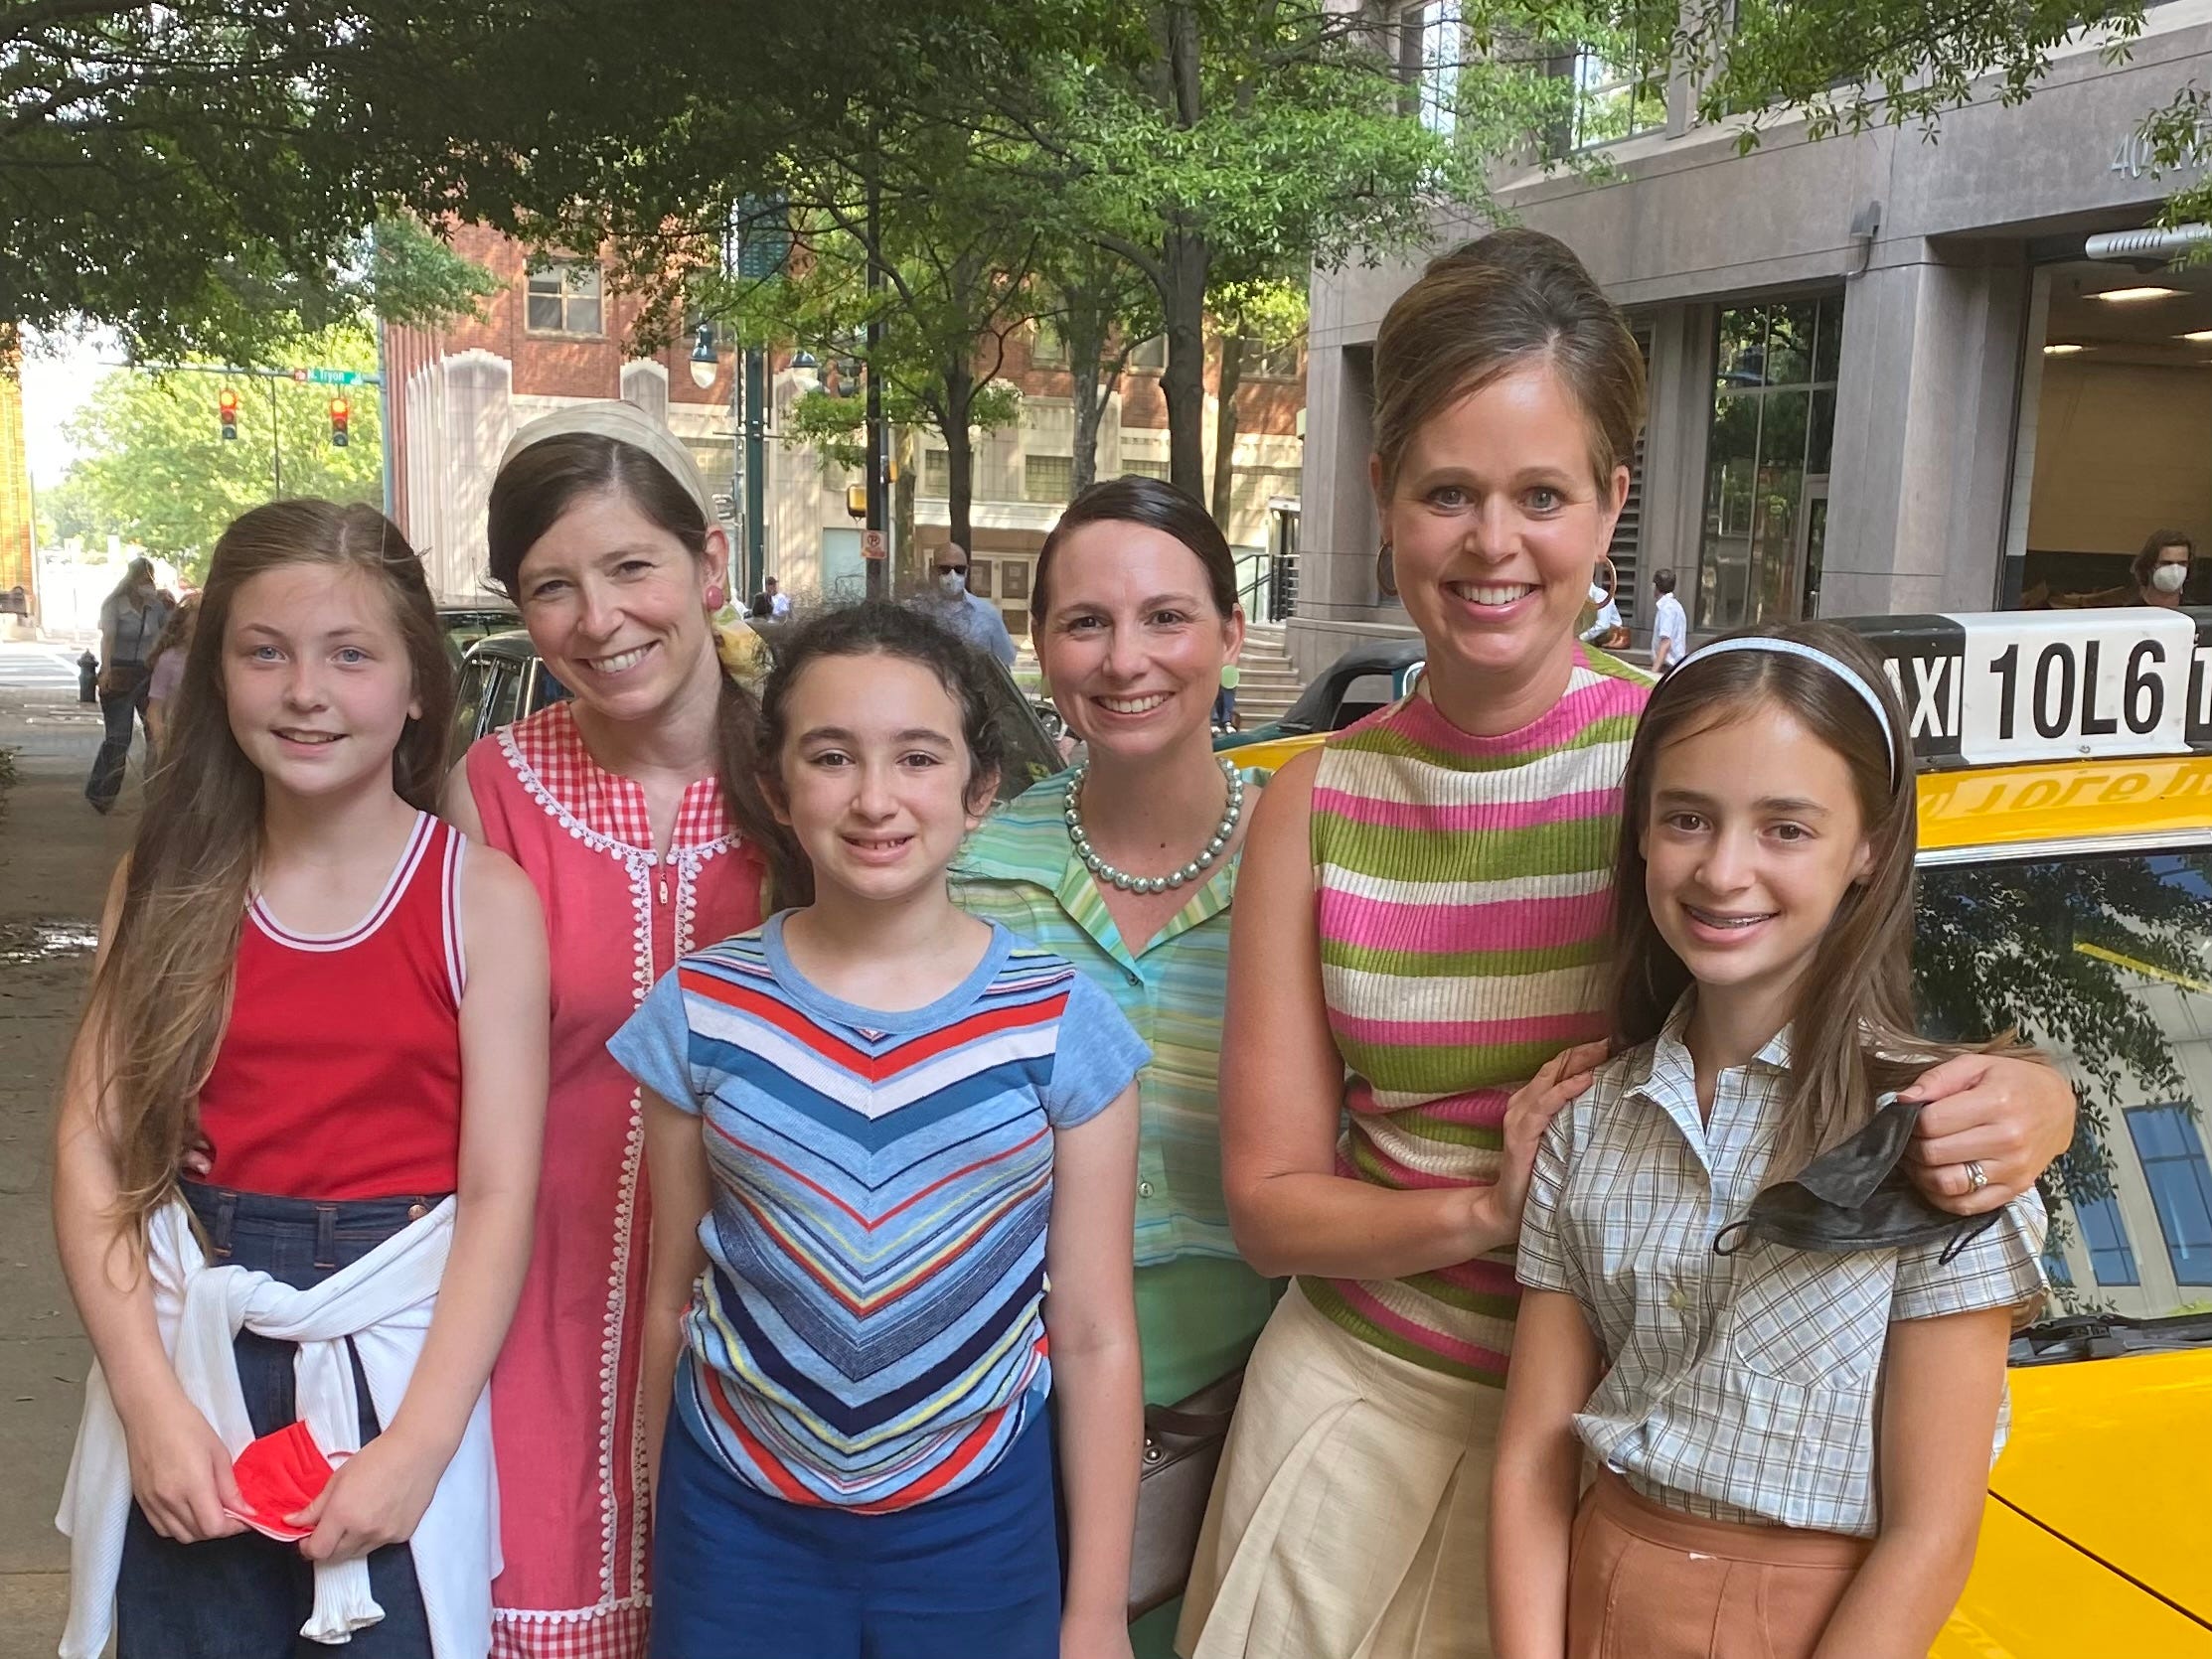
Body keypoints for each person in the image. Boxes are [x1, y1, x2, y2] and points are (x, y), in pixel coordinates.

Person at [1179, 229, 2077, 1659]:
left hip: (1631, 1465)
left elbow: (1863, 1021)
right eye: (1447, 492)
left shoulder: (1700, 774)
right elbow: (1274, 1202)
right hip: (1357, 1411)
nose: (1492, 543)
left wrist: (2036, 1092)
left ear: (1610, 504)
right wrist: (1493, 1210)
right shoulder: (1319, 802)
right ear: (1380, 498)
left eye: (1540, 494)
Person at [53, 500, 548, 1659]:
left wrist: (418, 1445)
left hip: (392, 1357)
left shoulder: (481, 901)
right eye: (265, 650)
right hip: (193, 1341)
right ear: (216, 670)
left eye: (351, 654)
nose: (305, 689)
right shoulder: (168, 881)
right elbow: (89, 1145)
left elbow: (501, 1195)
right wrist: (149, 1399)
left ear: (420, 685)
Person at [1492, 624, 2046, 1658]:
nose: (1724, 869)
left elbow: (1933, 1527)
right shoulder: (1590, 1123)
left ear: (1868, 846)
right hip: (1597, 1593)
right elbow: (1530, 1458)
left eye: (1786, 827)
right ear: (1643, 834)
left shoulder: (1940, 1139)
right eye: (1689, 817)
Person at [613, 601, 1147, 1659]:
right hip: (735, 1517)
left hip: (980, 1522)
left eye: (915, 756)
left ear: (977, 787)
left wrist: (1093, 1611)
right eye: (830, 756)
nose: (873, 798)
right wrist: (650, 1515)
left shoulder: (1064, 1024)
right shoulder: (698, 1010)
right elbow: (668, 1293)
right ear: (776, 785)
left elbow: (1092, 1331)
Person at [441, 401, 800, 1657]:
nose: (598, 620)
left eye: (631, 566)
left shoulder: (816, 781)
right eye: (552, 587)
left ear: (707, 563)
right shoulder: (492, 791)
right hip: (529, 1312)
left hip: (768, 1329)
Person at [949, 476, 1275, 1658]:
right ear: (1040, 645)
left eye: (1166, 617)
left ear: (1231, 634)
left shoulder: (1307, 854)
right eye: (1085, 621)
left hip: (1265, 1411)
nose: (1125, 657)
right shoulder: (974, 871)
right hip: (1015, 1421)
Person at [85, 556, 172, 813]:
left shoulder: (156, 607)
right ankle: (101, 792)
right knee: (118, 738)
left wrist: (169, 606)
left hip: (148, 673)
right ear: (132, 580)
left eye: (150, 580)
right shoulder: (115, 605)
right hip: (121, 671)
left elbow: (169, 634)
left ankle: (155, 793)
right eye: (144, 580)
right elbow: (108, 639)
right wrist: (106, 670)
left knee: (156, 735)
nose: (148, 585)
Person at [918, 541, 1018, 666]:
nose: (952, 575)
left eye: (959, 569)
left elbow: (1005, 660)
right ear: (933, 571)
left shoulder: (987, 614)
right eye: (945, 569)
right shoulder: (918, 612)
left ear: (966, 571)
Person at [143, 594, 199, 757]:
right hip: (175, 737)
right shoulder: (169, 660)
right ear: (182, 629)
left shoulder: (214, 659)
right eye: (192, 629)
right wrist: (161, 744)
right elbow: (154, 707)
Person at [2130, 529, 2194, 608]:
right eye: (2166, 563)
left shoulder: (2196, 612)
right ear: (2149, 565)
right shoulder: (2130, 612)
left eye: (2182, 563)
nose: (2175, 570)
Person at [1650, 566, 1688, 674]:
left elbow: (1666, 642)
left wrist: (1653, 672)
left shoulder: (1667, 609)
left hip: (1667, 667)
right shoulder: (1675, 606)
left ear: (1655, 586)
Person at [1579, 558, 1625, 647]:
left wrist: (1580, 638)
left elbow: (1603, 625)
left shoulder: (1601, 596)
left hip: (1606, 637)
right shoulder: (1576, 595)